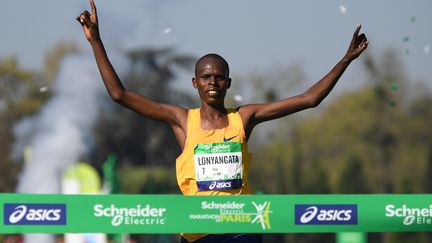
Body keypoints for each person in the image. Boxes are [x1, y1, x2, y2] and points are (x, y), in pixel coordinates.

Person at [77, 0, 368, 242]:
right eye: (206, 77)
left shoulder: (244, 117)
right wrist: (97, 42)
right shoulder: (181, 120)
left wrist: (346, 59)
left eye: (219, 77)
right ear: (195, 83)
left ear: (228, 82)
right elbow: (119, 94)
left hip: (241, 226)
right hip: (197, 230)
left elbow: (309, 99)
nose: (212, 82)